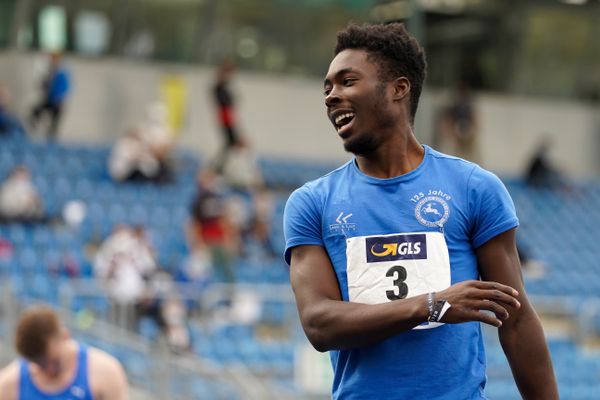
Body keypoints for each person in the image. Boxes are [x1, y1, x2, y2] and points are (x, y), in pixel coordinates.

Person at [283, 23, 558, 399]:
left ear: (398, 89)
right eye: (327, 87)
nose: (331, 96)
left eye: (347, 81)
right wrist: (432, 306)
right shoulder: (311, 202)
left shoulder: (474, 188)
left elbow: (517, 319)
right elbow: (319, 324)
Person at [0, 305, 128, 400]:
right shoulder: (9, 385)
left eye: (55, 362)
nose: (50, 370)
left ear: (65, 336)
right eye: (40, 365)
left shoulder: (105, 372)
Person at [30, 53, 71, 140]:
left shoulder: (62, 73)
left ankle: (51, 137)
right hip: (49, 100)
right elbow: (43, 86)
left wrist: (60, 99)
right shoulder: (49, 72)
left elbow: (65, 88)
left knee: (54, 124)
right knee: (35, 111)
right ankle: (36, 128)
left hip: (57, 102)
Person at [212, 61, 240, 172]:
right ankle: (217, 169)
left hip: (228, 118)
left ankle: (220, 169)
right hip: (225, 118)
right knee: (230, 143)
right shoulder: (219, 88)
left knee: (230, 145)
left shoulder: (224, 88)